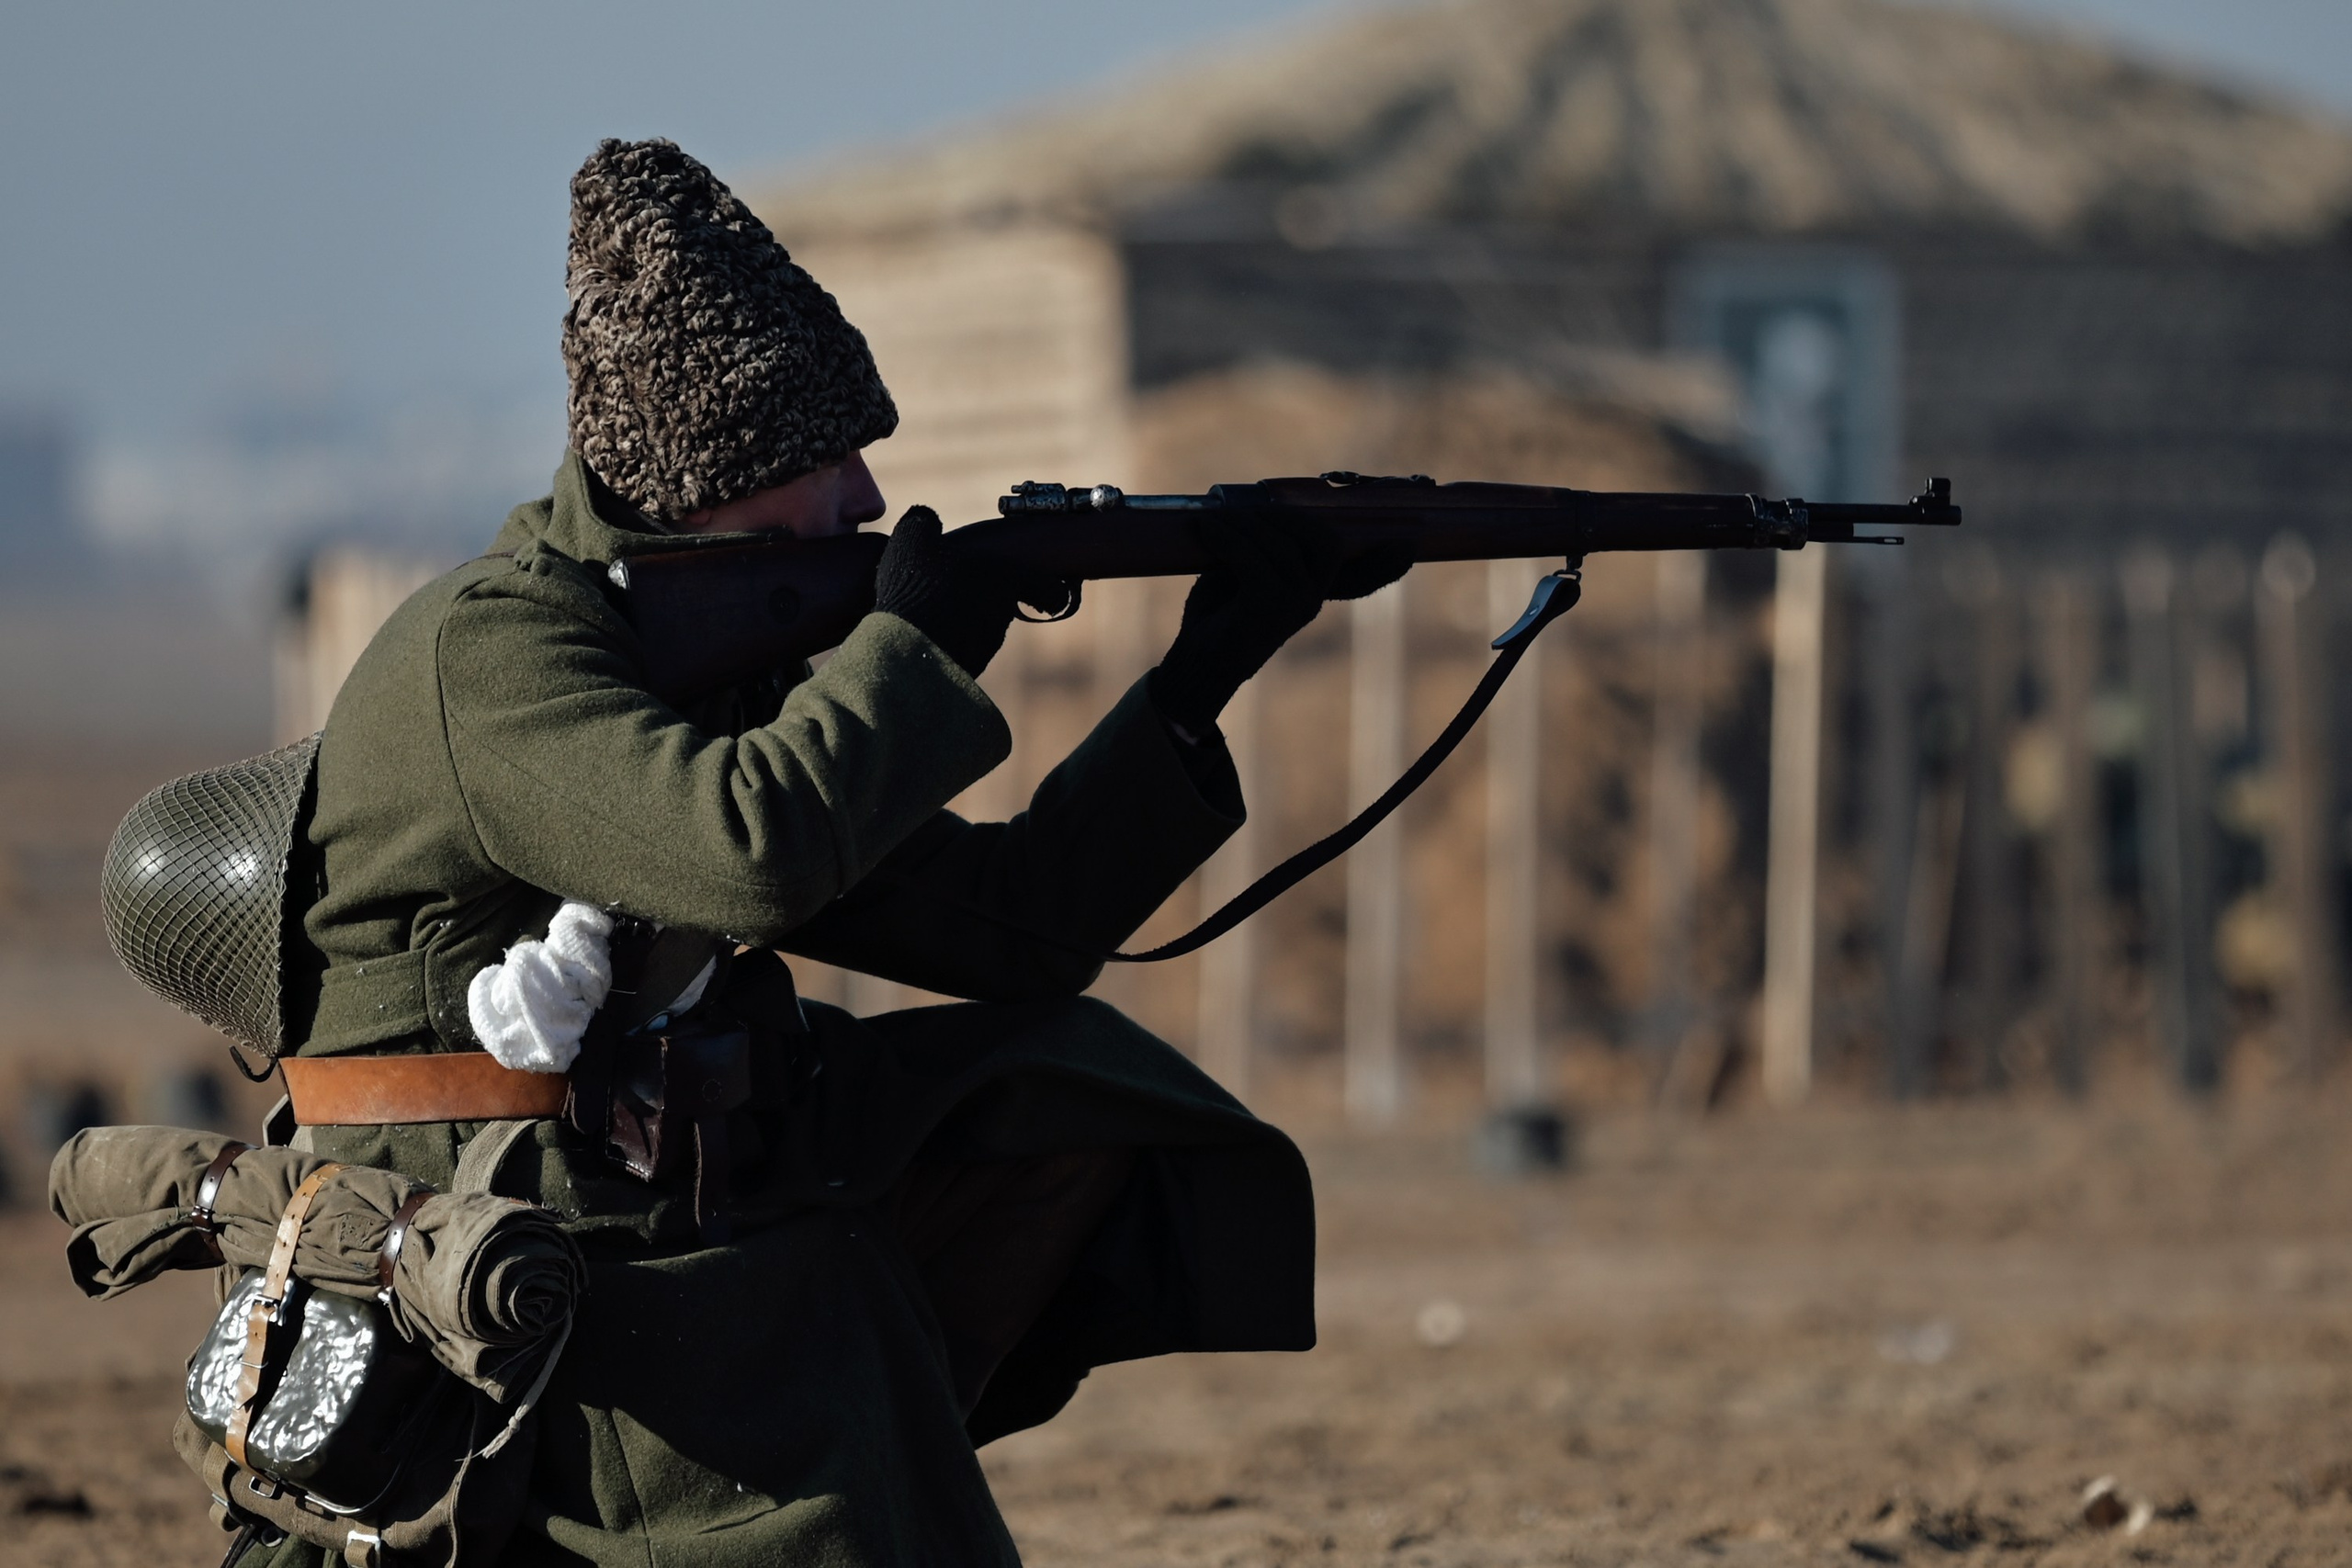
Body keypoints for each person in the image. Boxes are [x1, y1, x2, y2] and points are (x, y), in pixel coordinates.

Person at [265, 137, 1405, 1565]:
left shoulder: (688, 672)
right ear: (712, 478)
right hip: (495, 1244)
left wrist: (1194, 686)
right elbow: (747, 849)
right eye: (825, 461)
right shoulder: (499, 652)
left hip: (658, 1199)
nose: (870, 497)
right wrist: (911, 652)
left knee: (1070, 1094)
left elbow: (1013, 929)